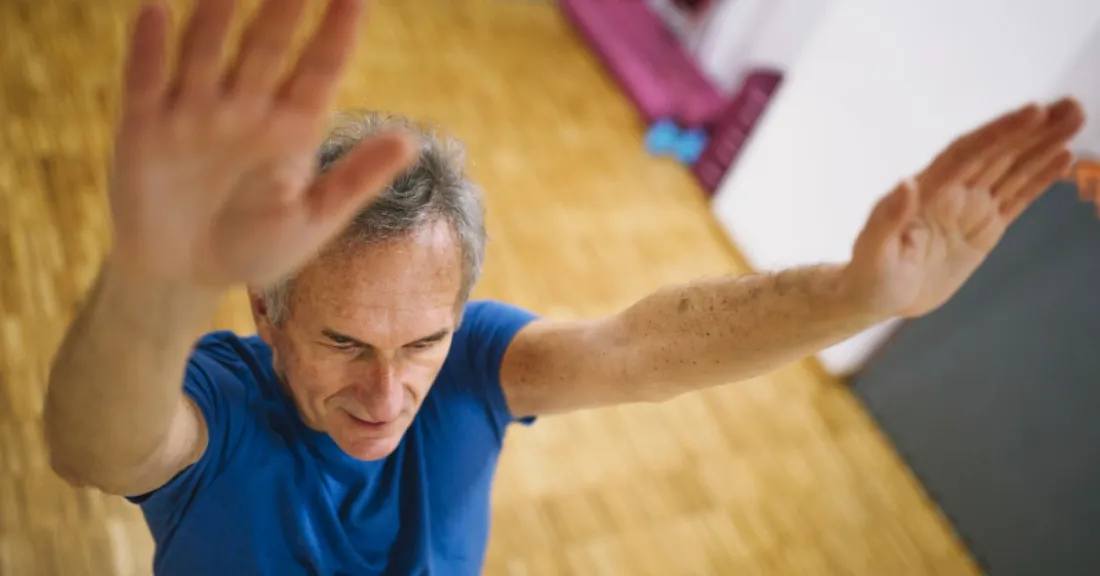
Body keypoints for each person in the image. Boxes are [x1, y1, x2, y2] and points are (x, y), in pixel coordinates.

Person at [42, 0, 1092, 574]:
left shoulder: (475, 369)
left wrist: (859, 296)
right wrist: (148, 280)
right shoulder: (219, 404)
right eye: (343, 344)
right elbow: (96, 446)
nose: (388, 394)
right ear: (263, 312)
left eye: (420, 343)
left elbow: (640, 347)